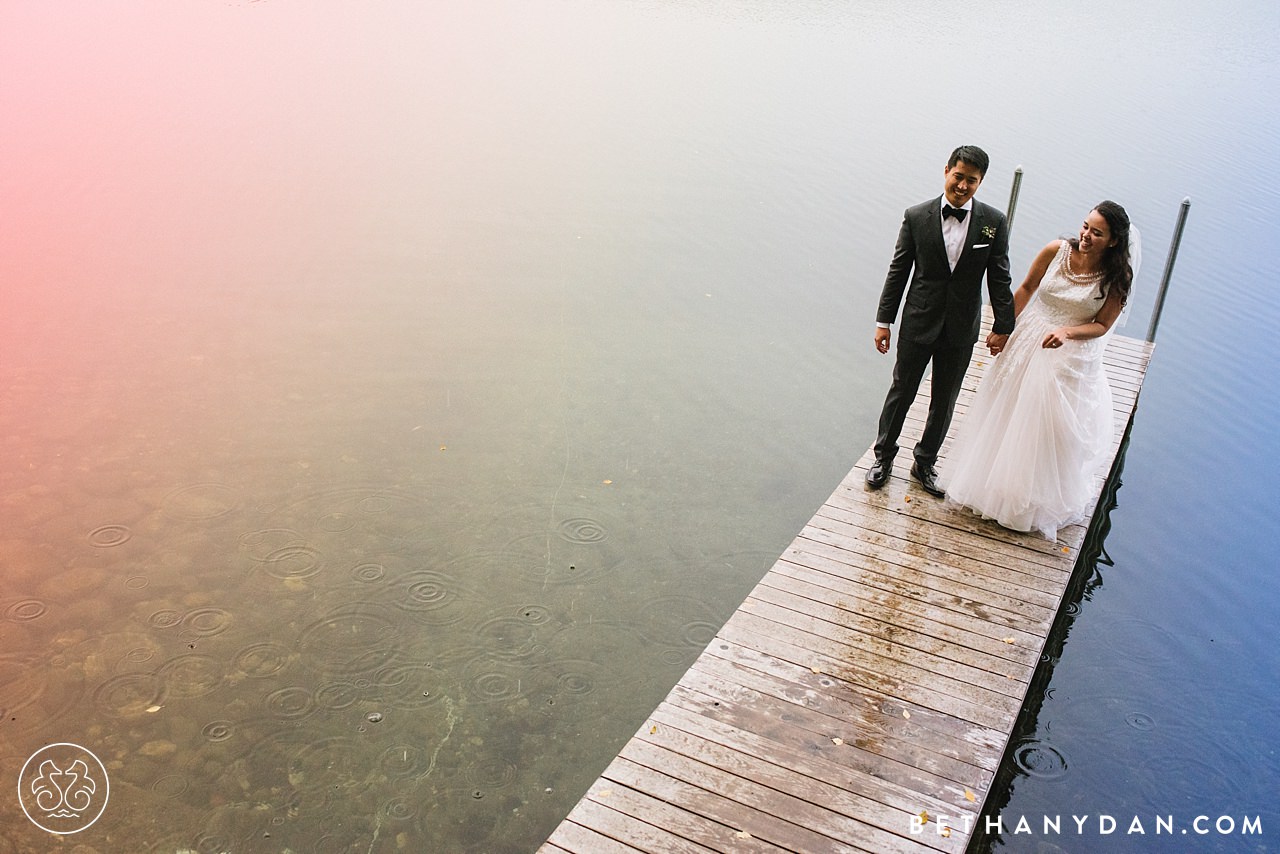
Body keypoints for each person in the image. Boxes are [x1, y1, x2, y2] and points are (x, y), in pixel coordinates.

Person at [941, 200, 1138, 540]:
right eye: (1086, 227)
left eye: (1097, 233)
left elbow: (1103, 325)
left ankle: (1025, 502)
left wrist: (1068, 332)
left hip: (1066, 350)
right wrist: (1004, 327)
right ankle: (988, 487)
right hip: (1030, 335)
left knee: (1041, 422)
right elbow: (1027, 288)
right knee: (1005, 407)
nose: (1087, 235)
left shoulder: (1117, 278)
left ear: (1114, 241)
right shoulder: (1056, 251)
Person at [867, 145, 1016, 497]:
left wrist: (1003, 326)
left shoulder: (992, 223)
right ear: (947, 170)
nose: (963, 186)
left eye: (972, 181)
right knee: (901, 392)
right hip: (919, 321)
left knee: (944, 399)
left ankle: (925, 461)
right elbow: (898, 271)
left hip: (961, 328)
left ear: (981, 182)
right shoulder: (916, 216)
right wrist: (883, 320)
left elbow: (1000, 277)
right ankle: (883, 457)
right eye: (959, 177)